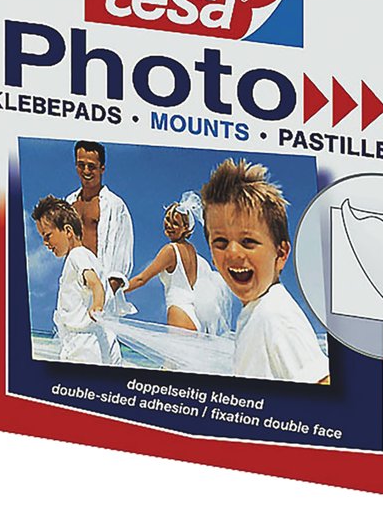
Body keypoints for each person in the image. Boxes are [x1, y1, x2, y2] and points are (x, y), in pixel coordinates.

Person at [201, 158, 329, 384]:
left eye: (248, 241)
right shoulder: (256, 312)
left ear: (281, 254)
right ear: (211, 254)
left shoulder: (275, 315)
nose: (233, 253)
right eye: (220, 242)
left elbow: (321, 379)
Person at [31, 195, 119, 365]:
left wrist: (97, 306)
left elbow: (95, 284)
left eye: (47, 235)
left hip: (83, 347)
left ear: (68, 231)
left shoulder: (77, 255)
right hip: (96, 341)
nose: (45, 243)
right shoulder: (90, 257)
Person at [125, 192, 203, 331]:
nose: (169, 225)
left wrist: (114, 290)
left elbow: (141, 279)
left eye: (175, 223)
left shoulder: (170, 250)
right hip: (192, 315)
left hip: (178, 312)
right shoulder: (192, 250)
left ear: (185, 228)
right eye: (167, 219)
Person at [66, 141, 134, 298]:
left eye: (91, 166)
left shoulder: (115, 205)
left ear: (102, 168)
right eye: (81, 165)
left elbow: (122, 254)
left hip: (102, 286)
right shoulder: (69, 203)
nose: (86, 171)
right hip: (74, 287)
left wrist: (105, 295)